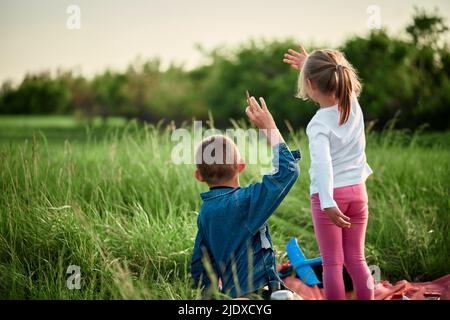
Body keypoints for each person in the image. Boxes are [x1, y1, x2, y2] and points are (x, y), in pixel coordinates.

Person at [283, 46, 374, 300]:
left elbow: (323, 165)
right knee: (356, 258)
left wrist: (327, 202)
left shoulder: (318, 123)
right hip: (358, 193)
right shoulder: (353, 105)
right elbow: (335, 72)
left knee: (333, 264)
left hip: (331, 196)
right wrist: (310, 64)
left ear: (310, 84)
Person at [190, 96, 301, 299]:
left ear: (199, 176)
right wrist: (270, 129)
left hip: (233, 295)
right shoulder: (246, 201)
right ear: (240, 166)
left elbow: (200, 263)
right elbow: (288, 171)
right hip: (259, 293)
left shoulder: (205, 213)